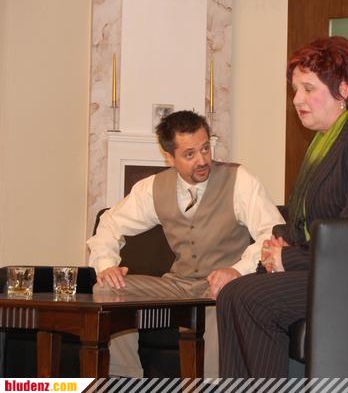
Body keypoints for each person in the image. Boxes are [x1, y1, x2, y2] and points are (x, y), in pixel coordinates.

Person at [216, 36, 348, 377]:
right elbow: (307, 220)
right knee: (233, 294)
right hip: (329, 270)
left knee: (249, 297)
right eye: (295, 90)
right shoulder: (323, 143)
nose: (297, 99)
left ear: (342, 90)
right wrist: (278, 243)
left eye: (308, 89)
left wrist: (288, 258)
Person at [87, 110, 284, 378]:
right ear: (169, 157)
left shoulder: (240, 180)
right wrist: (107, 265)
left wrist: (237, 270)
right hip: (177, 285)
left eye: (205, 148)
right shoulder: (153, 188)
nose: (202, 160)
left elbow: (271, 233)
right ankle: (125, 379)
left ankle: (213, 385)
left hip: (224, 285)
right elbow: (110, 222)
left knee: (224, 298)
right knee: (107, 289)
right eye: (189, 154)